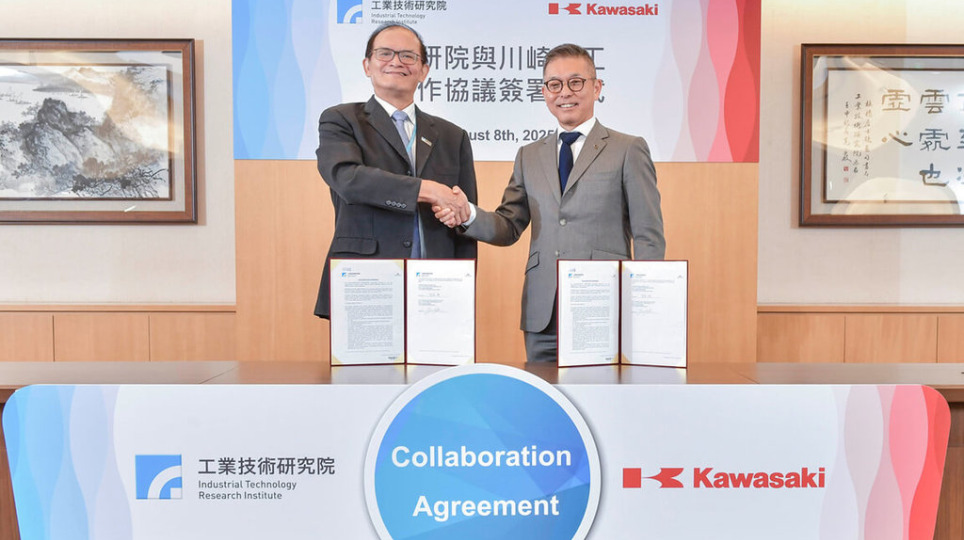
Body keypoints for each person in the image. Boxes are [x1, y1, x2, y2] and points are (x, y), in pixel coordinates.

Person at [436, 43, 665, 362]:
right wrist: (468, 215)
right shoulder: (528, 155)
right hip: (542, 313)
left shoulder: (628, 149)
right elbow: (508, 225)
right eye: (554, 84)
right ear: (544, 92)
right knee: (542, 393)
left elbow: (648, 235)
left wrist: (643, 308)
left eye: (576, 82)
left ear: (597, 87)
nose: (565, 92)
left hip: (602, 305)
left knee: (601, 391)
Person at [314, 22, 476, 318]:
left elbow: (463, 218)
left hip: (437, 286)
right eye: (385, 53)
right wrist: (428, 190)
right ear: (367, 65)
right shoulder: (341, 120)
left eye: (408, 56)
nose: (396, 62)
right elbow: (347, 178)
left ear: (423, 70)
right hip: (366, 280)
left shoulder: (453, 136)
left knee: (436, 352)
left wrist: (464, 285)